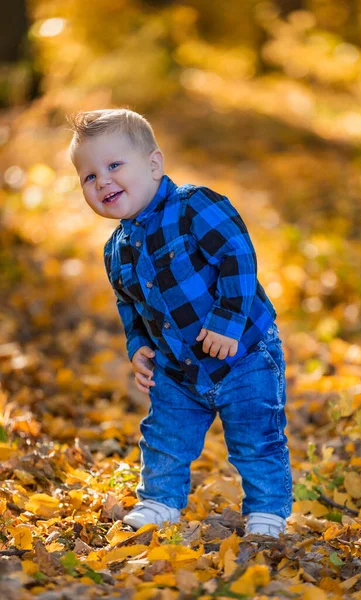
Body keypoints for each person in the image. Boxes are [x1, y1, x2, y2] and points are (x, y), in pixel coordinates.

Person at [68, 108, 292, 538]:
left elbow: (238, 255)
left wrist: (227, 321)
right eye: (89, 177)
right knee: (164, 436)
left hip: (244, 355)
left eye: (114, 165)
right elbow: (129, 306)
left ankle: (268, 512)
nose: (103, 181)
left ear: (154, 164)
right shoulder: (116, 249)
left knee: (255, 437)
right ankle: (159, 501)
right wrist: (138, 348)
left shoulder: (194, 206)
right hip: (177, 368)